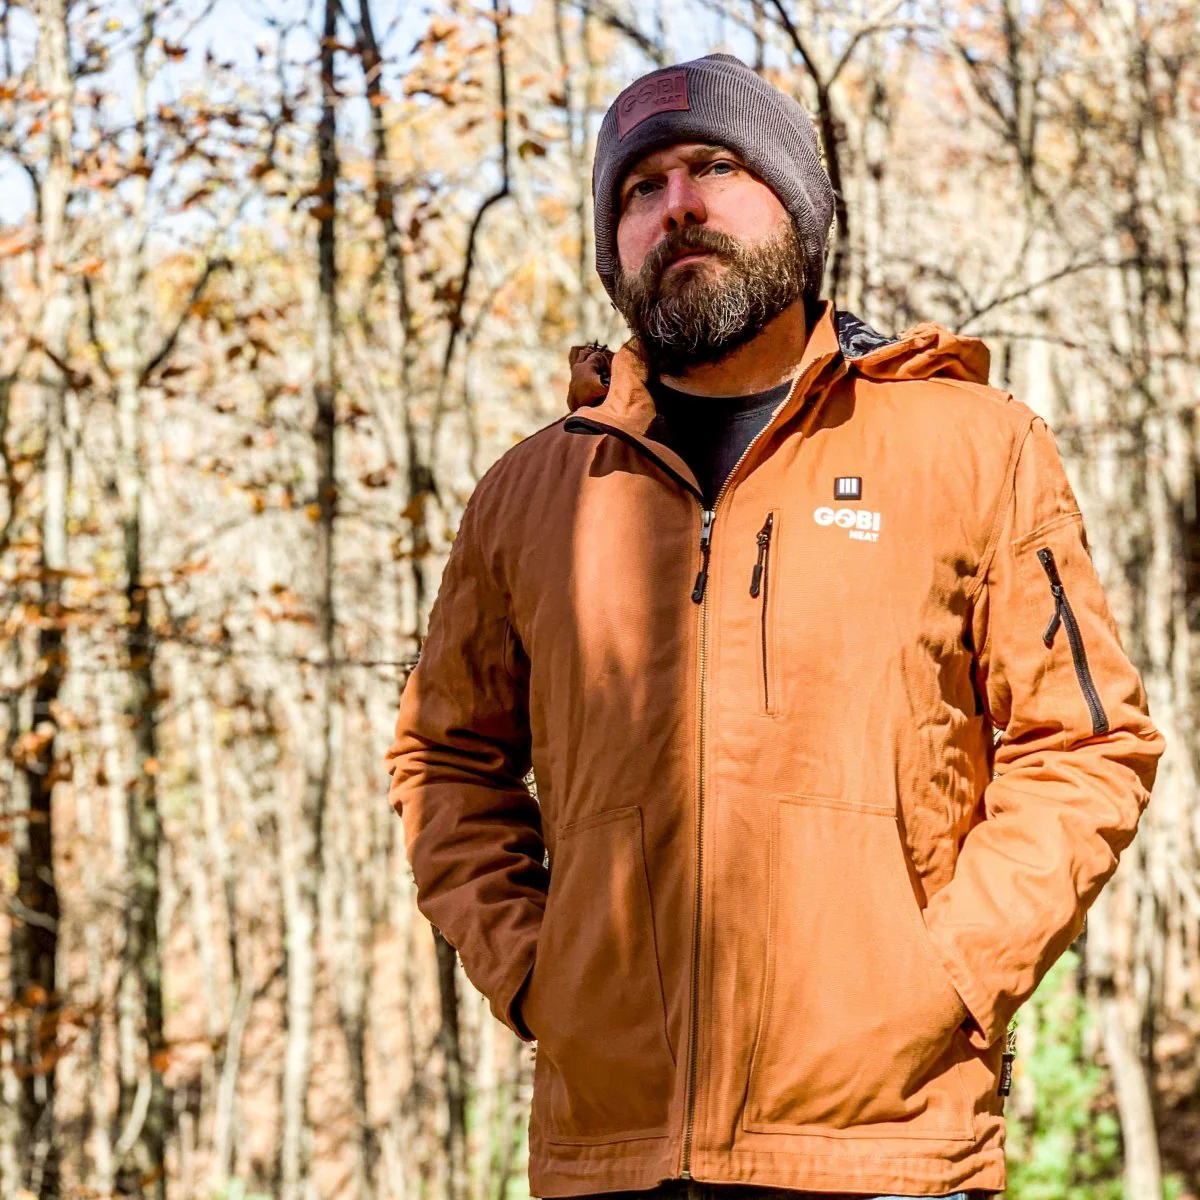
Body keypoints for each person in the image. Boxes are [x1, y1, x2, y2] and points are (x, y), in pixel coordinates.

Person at [384, 52, 1164, 1200]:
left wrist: (947, 973)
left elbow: (1087, 744)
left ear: (800, 205)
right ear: (616, 242)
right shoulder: (528, 495)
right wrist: (539, 974)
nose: (679, 206)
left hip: (888, 1148)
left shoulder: (973, 446)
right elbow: (444, 758)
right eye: (640, 189)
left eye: (716, 166)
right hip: (607, 1155)